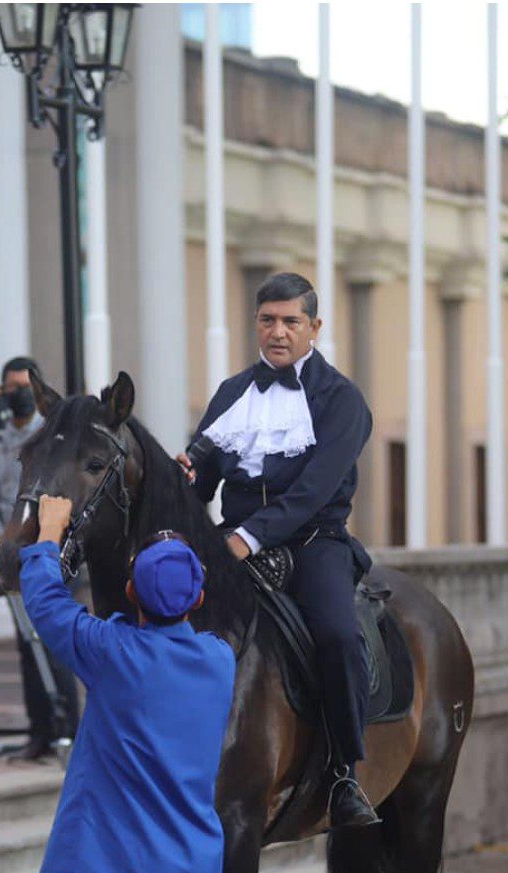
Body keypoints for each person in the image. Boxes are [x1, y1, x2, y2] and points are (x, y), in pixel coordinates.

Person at [18, 496, 233, 873]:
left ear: (131, 594)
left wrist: (49, 534)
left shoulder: (111, 652)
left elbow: (45, 603)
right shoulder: (218, 661)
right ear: (200, 599)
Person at [178, 271, 379, 829]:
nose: (278, 332)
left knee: (338, 634)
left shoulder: (342, 401)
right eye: (268, 320)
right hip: (233, 545)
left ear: (314, 327)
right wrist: (184, 480)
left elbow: (314, 490)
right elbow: (204, 482)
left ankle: (344, 774)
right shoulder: (229, 393)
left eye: (292, 321)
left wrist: (246, 536)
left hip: (315, 543)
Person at [0, 355, 78, 760]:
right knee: (27, 646)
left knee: (54, 639)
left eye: (25, 386)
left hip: (49, 545)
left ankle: (69, 730)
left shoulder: (51, 436)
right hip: (12, 548)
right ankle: (39, 732)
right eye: (11, 388)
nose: (18, 395)